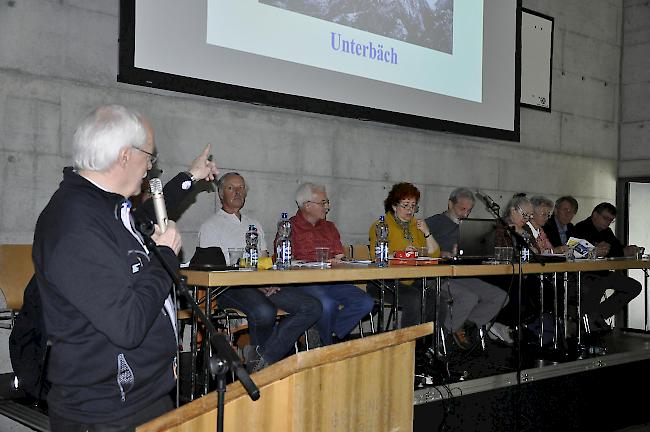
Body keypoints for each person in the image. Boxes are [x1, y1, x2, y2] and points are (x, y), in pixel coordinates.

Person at [32, 105, 213, 431]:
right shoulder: (73, 224)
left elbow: (143, 220)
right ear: (126, 155)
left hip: (141, 398)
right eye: (149, 157)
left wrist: (190, 178)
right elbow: (127, 324)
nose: (150, 167)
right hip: (106, 413)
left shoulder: (104, 206)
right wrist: (166, 258)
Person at [198, 173, 321, 369]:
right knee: (265, 311)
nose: (238, 192)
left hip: (262, 283)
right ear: (221, 194)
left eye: (241, 188)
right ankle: (276, 357)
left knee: (312, 306)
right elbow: (216, 270)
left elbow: (264, 261)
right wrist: (255, 282)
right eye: (231, 188)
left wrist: (269, 280)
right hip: (229, 288)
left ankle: (263, 358)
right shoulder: (210, 226)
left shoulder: (254, 224)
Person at [285, 183, 374, 345]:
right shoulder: (289, 227)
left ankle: (322, 333)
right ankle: (326, 346)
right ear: (307, 205)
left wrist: (339, 261)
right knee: (328, 305)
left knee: (366, 302)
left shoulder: (329, 227)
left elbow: (341, 257)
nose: (327, 207)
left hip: (331, 280)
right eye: (323, 203)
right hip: (304, 283)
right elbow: (282, 261)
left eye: (327, 202)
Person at [425, 188, 512, 346]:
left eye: (469, 210)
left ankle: (462, 324)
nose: (465, 214)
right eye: (462, 209)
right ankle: (442, 338)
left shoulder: (471, 226)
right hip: (439, 277)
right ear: (450, 204)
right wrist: (442, 253)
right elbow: (420, 249)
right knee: (468, 298)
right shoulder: (432, 223)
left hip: (463, 275)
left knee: (500, 297)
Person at [571, 203, 642, 331]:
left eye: (611, 220)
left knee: (634, 287)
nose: (608, 222)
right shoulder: (580, 228)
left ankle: (598, 314)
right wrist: (597, 251)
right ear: (595, 215)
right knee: (598, 284)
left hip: (603, 272)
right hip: (585, 274)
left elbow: (616, 249)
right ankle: (588, 320)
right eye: (606, 218)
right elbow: (576, 253)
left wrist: (626, 250)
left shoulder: (607, 232)